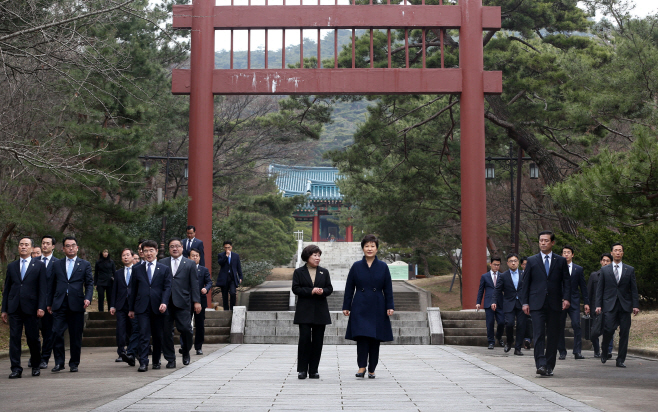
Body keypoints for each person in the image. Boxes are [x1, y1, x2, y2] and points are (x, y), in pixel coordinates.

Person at [342, 234, 394, 379]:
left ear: (377, 249)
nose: (369, 249)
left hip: (378, 304)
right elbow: (349, 287)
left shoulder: (383, 266)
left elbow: (388, 288)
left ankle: (372, 368)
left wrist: (390, 305)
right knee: (362, 338)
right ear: (363, 248)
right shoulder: (356, 266)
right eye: (367, 246)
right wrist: (346, 306)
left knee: (375, 339)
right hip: (360, 305)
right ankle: (361, 366)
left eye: (372, 246)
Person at [520, 231, 571, 377]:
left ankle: (550, 365)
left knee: (553, 335)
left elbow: (566, 281)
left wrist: (566, 298)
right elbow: (526, 284)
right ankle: (541, 364)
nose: (543, 243)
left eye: (546, 241)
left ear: (552, 243)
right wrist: (525, 302)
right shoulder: (532, 260)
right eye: (541, 240)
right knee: (539, 334)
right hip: (536, 304)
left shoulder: (560, 261)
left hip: (555, 303)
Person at [1, 237, 47, 379]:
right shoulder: (12, 266)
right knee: (14, 338)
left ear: (32, 248)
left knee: (32, 338)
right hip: (14, 307)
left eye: (26, 245)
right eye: (21, 244)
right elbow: (7, 289)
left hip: (32, 308)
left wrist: (41, 307)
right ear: (18, 247)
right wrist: (4, 309)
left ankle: (35, 365)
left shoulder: (39, 265)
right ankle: (16, 368)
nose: (23, 247)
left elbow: (42, 289)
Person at [47, 236, 94, 373]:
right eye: (67, 246)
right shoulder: (56, 264)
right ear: (63, 249)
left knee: (75, 335)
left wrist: (88, 298)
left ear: (77, 248)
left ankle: (74, 363)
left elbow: (89, 284)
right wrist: (49, 303)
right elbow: (51, 285)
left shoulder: (84, 264)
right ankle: (59, 362)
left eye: (73, 245)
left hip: (77, 303)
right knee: (56, 332)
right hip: (59, 303)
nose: (71, 248)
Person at [128, 240, 172, 372]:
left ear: (156, 251)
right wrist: (131, 308)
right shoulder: (136, 269)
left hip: (158, 306)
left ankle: (157, 361)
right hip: (142, 307)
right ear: (142, 253)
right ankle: (143, 362)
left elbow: (167, 287)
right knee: (143, 334)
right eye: (145, 251)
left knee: (158, 335)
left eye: (151, 250)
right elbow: (133, 290)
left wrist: (164, 302)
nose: (148, 253)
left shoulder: (164, 269)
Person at [596, 243, 640, 368]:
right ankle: (604, 351)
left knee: (624, 333)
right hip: (609, 305)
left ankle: (620, 359)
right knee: (608, 330)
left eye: (620, 250)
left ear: (623, 253)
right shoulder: (605, 270)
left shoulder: (629, 269)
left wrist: (635, 305)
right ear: (612, 253)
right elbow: (600, 289)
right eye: (615, 250)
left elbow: (633, 289)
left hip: (625, 305)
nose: (618, 253)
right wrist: (598, 305)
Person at [293, 245, 333, 379]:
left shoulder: (324, 272)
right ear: (307, 257)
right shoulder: (299, 272)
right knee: (304, 339)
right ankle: (302, 369)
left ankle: (314, 370)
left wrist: (322, 291)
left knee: (318, 340)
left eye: (319, 255)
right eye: (314, 255)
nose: (317, 258)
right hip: (304, 310)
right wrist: (310, 291)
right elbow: (296, 289)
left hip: (320, 310)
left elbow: (329, 288)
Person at [160, 237, 201, 368]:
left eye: (177, 246)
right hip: (165, 304)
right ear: (169, 249)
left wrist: (196, 301)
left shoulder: (189, 264)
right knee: (166, 332)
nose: (175, 248)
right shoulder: (162, 262)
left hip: (183, 302)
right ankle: (170, 359)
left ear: (182, 248)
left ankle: (186, 351)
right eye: (172, 246)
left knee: (186, 329)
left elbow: (194, 284)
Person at [557, 245, 589, 360]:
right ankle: (562, 351)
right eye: (564, 252)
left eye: (568, 252)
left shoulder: (578, 269)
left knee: (576, 325)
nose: (566, 254)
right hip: (560, 301)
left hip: (574, 301)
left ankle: (577, 351)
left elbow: (583, 287)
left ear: (572, 254)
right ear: (561, 255)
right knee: (559, 326)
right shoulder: (557, 268)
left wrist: (586, 302)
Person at [492, 253, 526, 356]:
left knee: (521, 325)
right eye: (511, 261)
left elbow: (528, 289)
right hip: (509, 303)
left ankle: (518, 348)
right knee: (510, 323)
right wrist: (493, 301)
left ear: (518, 263)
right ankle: (510, 341)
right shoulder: (503, 276)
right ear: (507, 263)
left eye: (515, 261)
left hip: (522, 303)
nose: (513, 263)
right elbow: (497, 290)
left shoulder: (523, 274)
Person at [110, 248, 139, 367]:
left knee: (134, 329)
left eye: (128, 255)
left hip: (135, 305)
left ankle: (133, 351)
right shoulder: (118, 273)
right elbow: (114, 290)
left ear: (132, 257)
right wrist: (112, 305)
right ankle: (121, 352)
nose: (126, 257)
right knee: (120, 329)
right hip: (121, 305)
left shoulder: (138, 271)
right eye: (123, 255)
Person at [37, 235, 58, 369]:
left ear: (53, 246)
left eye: (48, 243)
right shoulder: (34, 261)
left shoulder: (57, 263)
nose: (45, 245)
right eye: (43, 243)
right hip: (34, 303)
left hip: (50, 303)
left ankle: (44, 358)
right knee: (32, 331)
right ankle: (35, 355)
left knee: (48, 333)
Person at [587, 253, 614, 358]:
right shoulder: (594, 275)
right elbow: (589, 292)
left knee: (609, 329)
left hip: (609, 307)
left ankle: (608, 351)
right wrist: (587, 305)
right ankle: (597, 350)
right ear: (600, 262)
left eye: (608, 261)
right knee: (594, 331)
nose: (605, 262)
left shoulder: (614, 276)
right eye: (604, 260)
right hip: (595, 307)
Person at [476, 257, 505, 349]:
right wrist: (478, 302)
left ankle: (499, 337)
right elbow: (481, 290)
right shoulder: (485, 276)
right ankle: (491, 342)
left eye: (498, 265)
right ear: (490, 264)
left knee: (501, 322)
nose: (496, 266)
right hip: (488, 302)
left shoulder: (502, 276)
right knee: (490, 323)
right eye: (495, 264)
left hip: (500, 302)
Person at [190, 248, 212, 355]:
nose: (195, 257)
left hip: (200, 300)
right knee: (185, 324)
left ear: (199, 257)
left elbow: (209, 282)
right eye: (193, 255)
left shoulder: (204, 270)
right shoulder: (185, 269)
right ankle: (185, 345)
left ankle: (198, 347)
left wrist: (206, 288)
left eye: (197, 256)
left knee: (199, 325)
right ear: (189, 257)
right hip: (187, 300)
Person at [217, 241, 243, 310]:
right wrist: (226, 256)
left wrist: (240, 277)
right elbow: (220, 263)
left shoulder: (236, 256)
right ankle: (226, 309)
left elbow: (238, 267)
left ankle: (232, 308)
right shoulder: (221, 255)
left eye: (228, 247)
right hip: (224, 278)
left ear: (231, 247)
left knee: (233, 293)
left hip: (232, 277)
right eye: (225, 247)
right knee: (224, 295)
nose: (227, 249)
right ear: (224, 248)